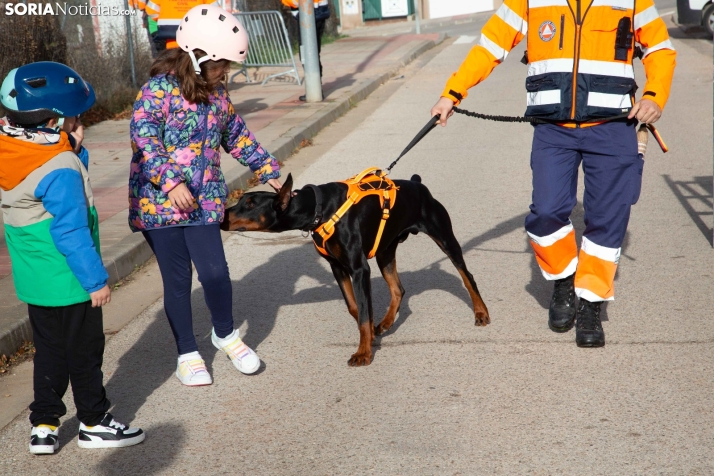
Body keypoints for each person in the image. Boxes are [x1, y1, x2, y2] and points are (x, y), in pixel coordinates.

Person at [431, 0, 676, 347]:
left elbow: (660, 50)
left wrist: (654, 96)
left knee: (608, 218)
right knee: (546, 211)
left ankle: (590, 303)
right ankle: (563, 279)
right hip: (553, 127)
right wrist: (452, 93)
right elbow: (491, 44)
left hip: (613, 124)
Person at [129, 4, 282, 386]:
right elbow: (144, 137)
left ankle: (226, 334)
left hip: (203, 200)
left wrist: (271, 171)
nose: (224, 73)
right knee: (178, 281)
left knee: (215, 273)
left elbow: (237, 136)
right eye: (221, 65)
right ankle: (187, 353)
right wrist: (171, 182)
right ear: (197, 58)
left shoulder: (216, 94)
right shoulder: (157, 90)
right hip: (160, 204)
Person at [0, 62, 145, 454]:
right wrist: (96, 281)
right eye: (75, 116)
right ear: (56, 119)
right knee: (84, 351)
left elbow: (38, 191)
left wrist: (72, 148)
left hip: (34, 280)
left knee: (48, 350)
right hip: (70, 279)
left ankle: (44, 426)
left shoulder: (10, 147)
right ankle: (95, 421)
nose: (80, 121)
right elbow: (70, 229)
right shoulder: (59, 166)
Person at [282, 0, 330, 100]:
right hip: (318, 13)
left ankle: (315, 89)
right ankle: (316, 88)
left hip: (308, 14)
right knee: (314, 53)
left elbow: (293, 2)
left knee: (307, 54)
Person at [144, 0, 218, 52]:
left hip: (171, 39)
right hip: (195, 41)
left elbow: (151, 10)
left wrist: (162, 18)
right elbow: (216, 12)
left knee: (173, 68)